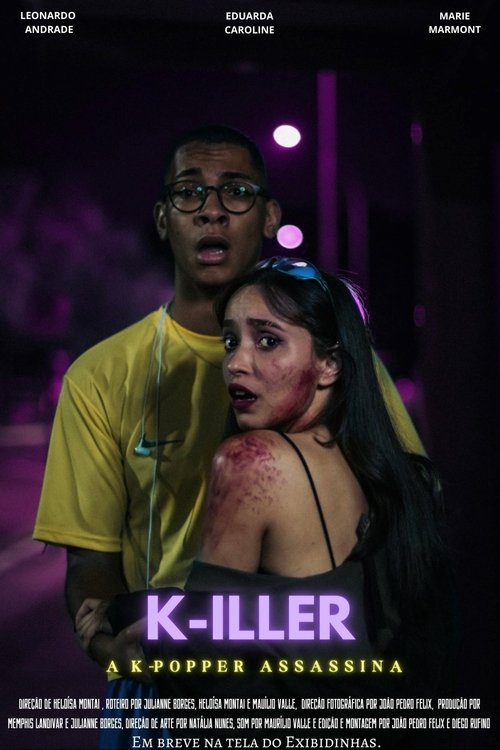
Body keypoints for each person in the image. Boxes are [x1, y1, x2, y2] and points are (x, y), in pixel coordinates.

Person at [33, 127, 425, 746]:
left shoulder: (343, 367)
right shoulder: (99, 376)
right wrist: (114, 643)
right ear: (162, 218)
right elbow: (91, 565)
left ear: (270, 216)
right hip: (167, 686)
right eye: (189, 192)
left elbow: (405, 527)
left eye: (236, 191)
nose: (211, 209)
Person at [113, 258, 454, 747]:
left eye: (268, 340)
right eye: (230, 341)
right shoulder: (398, 478)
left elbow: (205, 673)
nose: (237, 362)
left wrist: (144, 646)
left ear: (330, 364)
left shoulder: (252, 461)